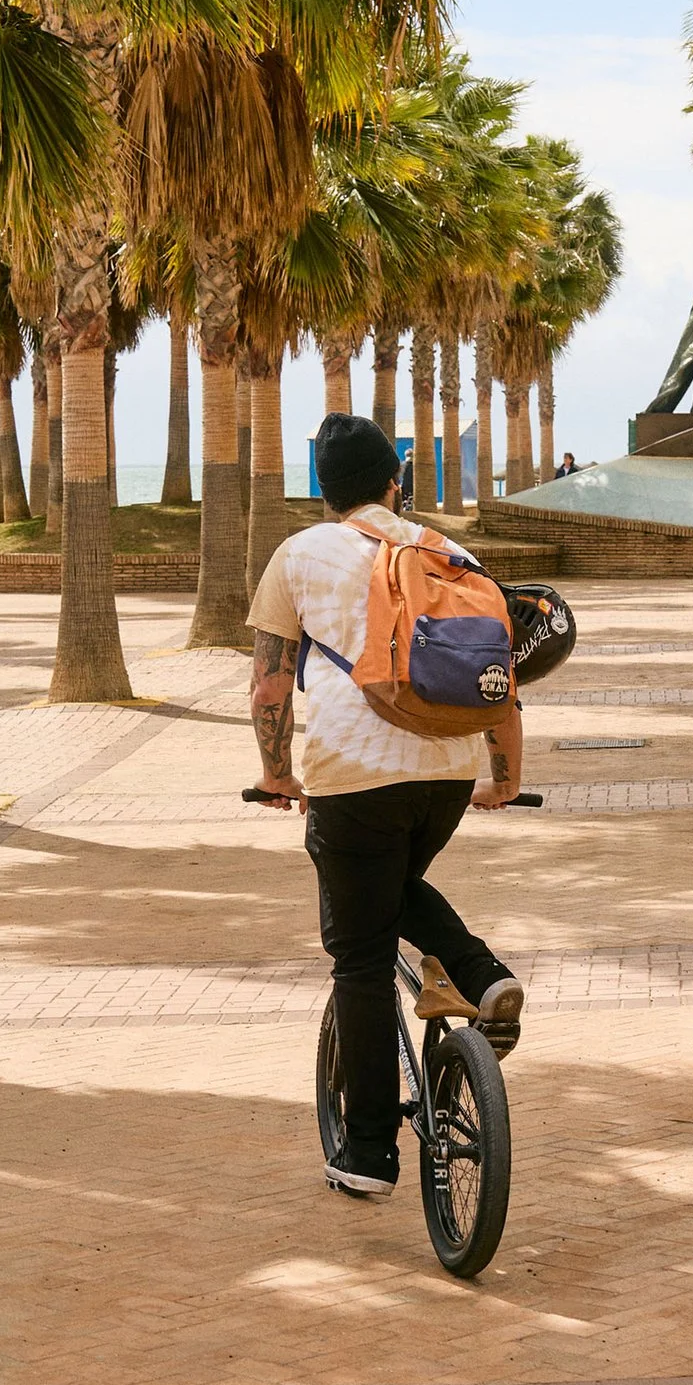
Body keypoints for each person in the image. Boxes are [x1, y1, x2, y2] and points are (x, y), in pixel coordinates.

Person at [246, 413, 527, 1200]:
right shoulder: (449, 552)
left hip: (350, 772)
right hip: (447, 768)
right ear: (395, 480)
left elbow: (271, 684)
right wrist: (501, 777)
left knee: (361, 955)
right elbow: (499, 674)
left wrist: (278, 774)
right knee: (393, 888)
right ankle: (482, 972)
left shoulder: (299, 554)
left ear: (321, 490)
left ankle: (368, 1150)